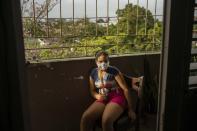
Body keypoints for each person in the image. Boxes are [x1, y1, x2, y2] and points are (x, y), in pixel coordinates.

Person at [80, 50, 137, 131]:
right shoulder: (93, 73)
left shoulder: (113, 71)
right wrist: (97, 96)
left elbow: (125, 89)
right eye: (100, 61)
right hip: (103, 98)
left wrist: (130, 109)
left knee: (106, 121)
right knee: (85, 117)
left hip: (116, 96)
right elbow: (92, 90)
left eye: (105, 61)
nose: (103, 63)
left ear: (109, 61)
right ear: (96, 62)